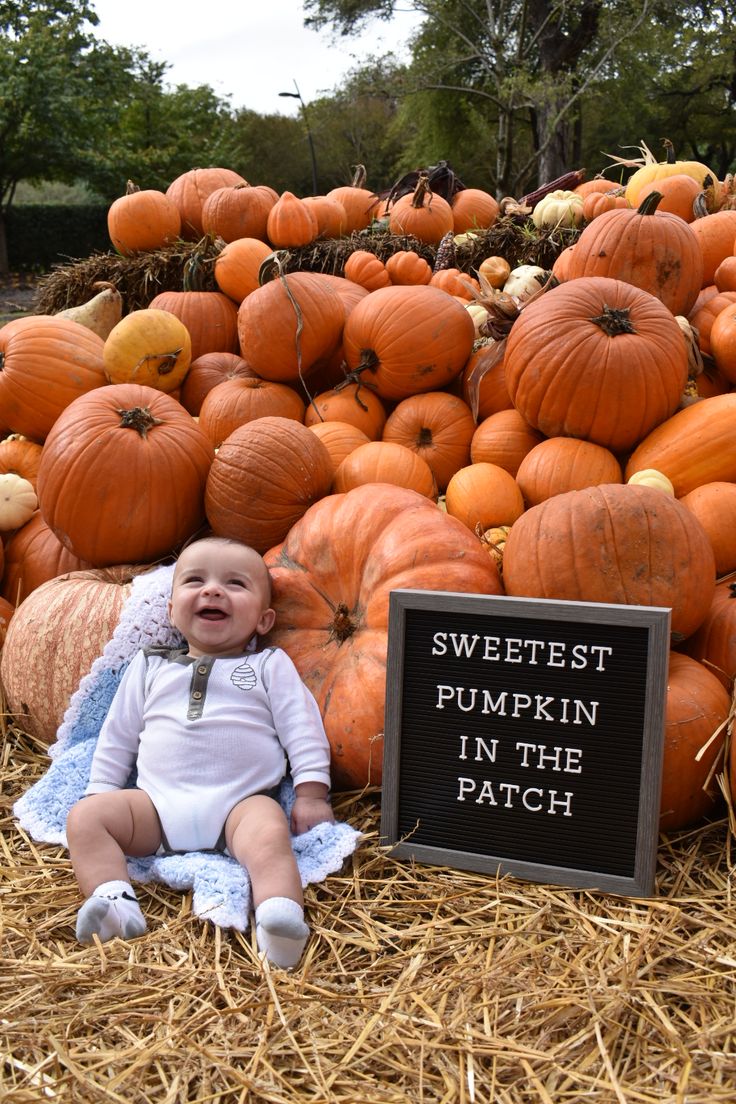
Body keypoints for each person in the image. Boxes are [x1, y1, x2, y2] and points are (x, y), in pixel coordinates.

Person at [65, 536, 334, 968]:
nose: (212, 590)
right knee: (84, 819)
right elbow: (117, 736)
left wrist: (311, 794)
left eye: (235, 584)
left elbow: (302, 729)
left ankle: (278, 917)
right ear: (172, 610)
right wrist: (100, 791)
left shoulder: (267, 667)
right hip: (154, 809)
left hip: (239, 807)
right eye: (195, 580)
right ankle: (114, 902)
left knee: (269, 835)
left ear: (264, 620)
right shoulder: (149, 666)